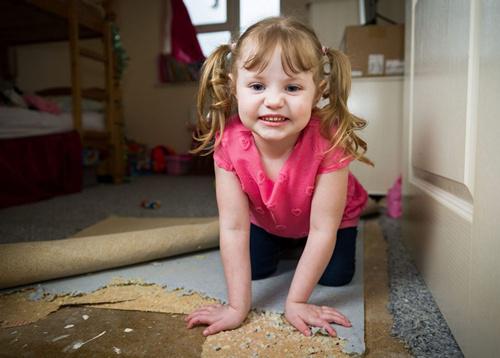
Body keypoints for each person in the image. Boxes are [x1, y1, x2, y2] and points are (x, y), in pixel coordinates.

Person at [186, 16, 371, 338]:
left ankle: (302, 245)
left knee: (337, 277)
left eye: (293, 87)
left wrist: (297, 301)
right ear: (234, 87)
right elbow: (233, 226)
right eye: (257, 86)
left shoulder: (330, 142)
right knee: (254, 272)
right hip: (267, 219)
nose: (274, 100)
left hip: (329, 222)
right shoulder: (228, 143)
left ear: (318, 91)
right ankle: (287, 243)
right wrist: (235, 307)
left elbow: (322, 228)